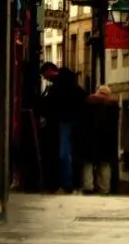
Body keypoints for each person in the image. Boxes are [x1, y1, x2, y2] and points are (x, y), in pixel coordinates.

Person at [39, 62, 86, 193]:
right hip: (75, 123)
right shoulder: (74, 85)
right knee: (71, 153)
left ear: (49, 71)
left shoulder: (57, 87)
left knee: (63, 153)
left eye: (45, 75)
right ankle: (73, 182)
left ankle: (67, 183)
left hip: (63, 122)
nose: (45, 78)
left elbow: (51, 106)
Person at [79, 85, 119, 195]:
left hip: (90, 137)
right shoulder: (113, 104)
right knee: (104, 164)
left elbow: (83, 120)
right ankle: (105, 188)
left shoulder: (90, 101)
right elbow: (114, 125)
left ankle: (88, 186)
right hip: (107, 139)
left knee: (88, 163)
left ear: (98, 91)